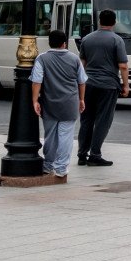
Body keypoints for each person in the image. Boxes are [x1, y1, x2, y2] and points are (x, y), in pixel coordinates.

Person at [76, 8, 128, 167]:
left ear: (99, 20)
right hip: (108, 85)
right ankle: (95, 154)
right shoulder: (117, 40)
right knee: (103, 120)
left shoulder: (87, 39)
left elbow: (82, 64)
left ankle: (82, 154)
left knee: (86, 119)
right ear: (114, 22)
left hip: (88, 83)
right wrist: (125, 85)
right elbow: (123, 66)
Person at [32, 29, 87, 177]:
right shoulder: (74, 59)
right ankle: (62, 167)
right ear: (64, 43)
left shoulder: (42, 59)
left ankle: (48, 164)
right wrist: (81, 99)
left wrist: (35, 100)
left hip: (49, 103)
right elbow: (81, 81)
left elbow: (37, 80)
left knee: (50, 136)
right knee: (66, 136)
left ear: (49, 42)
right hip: (70, 103)